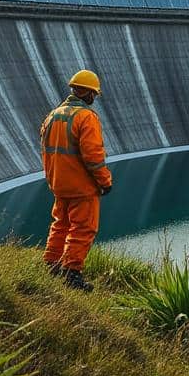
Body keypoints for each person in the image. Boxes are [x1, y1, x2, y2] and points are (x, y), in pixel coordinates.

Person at [40, 69, 111, 292]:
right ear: (88, 93)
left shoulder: (53, 115)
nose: (94, 99)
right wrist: (105, 181)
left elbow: (46, 148)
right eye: (94, 94)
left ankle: (51, 265)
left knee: (60, 224)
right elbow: (93, 156)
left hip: (58, 184)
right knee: (83, 228)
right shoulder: (86, 117)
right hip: (82, 187)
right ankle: (72, 273)